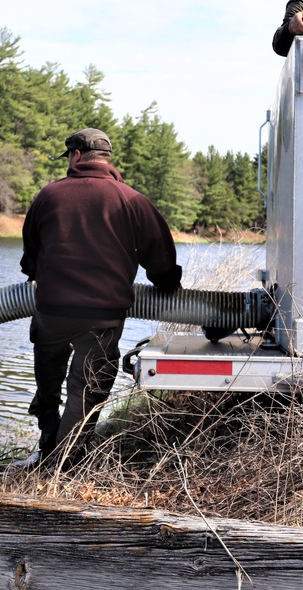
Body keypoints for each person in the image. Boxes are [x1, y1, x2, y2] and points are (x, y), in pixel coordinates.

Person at [19, 127, 182, 469]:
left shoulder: (48, 196)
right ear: (106, 159)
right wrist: (167, 285)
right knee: (85, 391)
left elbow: (30, 258)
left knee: (48, 380)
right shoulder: (131, 199)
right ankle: (60, 466)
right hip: (103, 317)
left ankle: (48, 434)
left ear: (76, 156)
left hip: (52, 312)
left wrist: (40, 273)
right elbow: (162, 262)